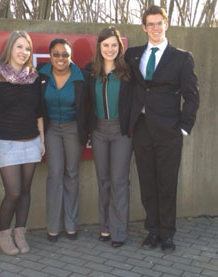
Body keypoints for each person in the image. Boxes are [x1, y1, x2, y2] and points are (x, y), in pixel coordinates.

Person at [125, 5, 199, 251]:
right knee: (147, 183)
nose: (155, 28)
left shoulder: (181, 57)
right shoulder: (133, 55)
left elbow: (192, 96)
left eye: (160, 23)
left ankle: (167, 233)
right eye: (151, 24)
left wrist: (183, 128)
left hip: (169, 131)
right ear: (144, 27)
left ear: (166, 24)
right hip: (142, 128)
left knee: (166, 183)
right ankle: (152, 230)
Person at [0, 31, 45, 255]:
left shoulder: (34, 78)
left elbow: (39, 111)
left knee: (25, 191)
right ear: (10, 48)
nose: (24, 52)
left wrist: (42, 140)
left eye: (27, 48)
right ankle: (4, 235)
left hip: (31, 140)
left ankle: (20, 232)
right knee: (13, 192)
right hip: (5, 143)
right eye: (19, 47)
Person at [85, 27, 133, 248]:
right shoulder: (90, 71)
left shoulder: (128, 72)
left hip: (121, 132)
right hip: (98, 131)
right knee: (103, 181)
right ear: (99, 47)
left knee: (119, 181)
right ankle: (105, 227)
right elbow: (84, 103)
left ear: (119, 47)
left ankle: (119, 231)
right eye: (106, 45)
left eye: (114, 45)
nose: (110, 49)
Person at [38, 38, 87, 242]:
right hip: (51, 130)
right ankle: (53, 227)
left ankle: (71, 225)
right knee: (55, 174)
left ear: (71, 56)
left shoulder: (80, 76)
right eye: (56, 54)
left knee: (72, 174)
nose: (60, 58)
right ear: (50, 56)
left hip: (72, 128)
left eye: (65, 54)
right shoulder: (40, 74)